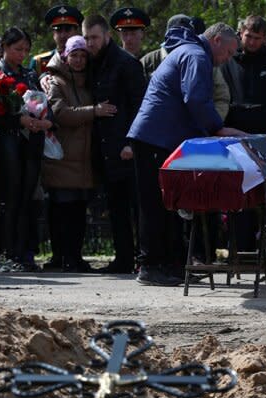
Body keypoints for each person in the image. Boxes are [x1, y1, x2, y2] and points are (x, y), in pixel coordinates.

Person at [127, 22, 245, 286]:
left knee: (168, 204)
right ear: (215, 41)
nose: (226, 60)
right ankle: (150, 266)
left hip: (162, 137)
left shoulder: (192, 53)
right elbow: (195, 98)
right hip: (155, 138)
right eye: (227, 52)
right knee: (155, 205)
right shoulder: (196, 55)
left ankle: (170, 265)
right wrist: (217, 128)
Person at [221, 15, 266, 253]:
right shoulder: (227, 62)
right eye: (248, 36)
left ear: (264, 39)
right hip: (235, 140)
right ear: (240, 33)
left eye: (257, 38)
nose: (252, 42)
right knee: (240, 198)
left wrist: (255, 113)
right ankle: (240, 250)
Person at [44, 36, 114, 272]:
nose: (79, 60)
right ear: (66, 56)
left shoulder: (89, 82)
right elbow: (61, 113)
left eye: (83, 55)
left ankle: (75, 257)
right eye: (74, 55)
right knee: (61, 210)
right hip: (63, 158)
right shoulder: (56, 82)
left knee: (77, 212)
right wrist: (94, 111)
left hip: (84, 160)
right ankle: (60, 257)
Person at [83, 14, 146, 274]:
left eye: (95, 37)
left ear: (107, 36)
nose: (90, 43)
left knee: (136, 208)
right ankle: (123, 259)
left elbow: (140, 107)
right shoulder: (91, 63)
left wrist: (132, 142)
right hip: (105, 150)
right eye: (86, 38)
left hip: (125, 149)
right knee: (116, 207)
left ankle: (144, 258)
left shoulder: (126, 64)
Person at [0, 27, 52, 272]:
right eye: (17, 49)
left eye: (26, 50)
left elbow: (42, 101)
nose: (22, 54)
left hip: (31, 143)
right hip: (8, 143)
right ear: (4, 47)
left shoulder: (29, 74)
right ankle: (9, 253)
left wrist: (47, 120)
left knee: (28, 199)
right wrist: (18, 121)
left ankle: (26, 253)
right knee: (10, 199)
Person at [140, 15, 230, 119]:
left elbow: (221, 97)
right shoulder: (148, 61)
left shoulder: (205, 63)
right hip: (156, 125)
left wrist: (212, 124)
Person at [31, 5, 82, 76]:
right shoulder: (39, 62)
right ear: (53, 33)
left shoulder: (85, 59)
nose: (63, 35)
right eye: (58, 30)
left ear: (77, 32)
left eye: (68, 29)